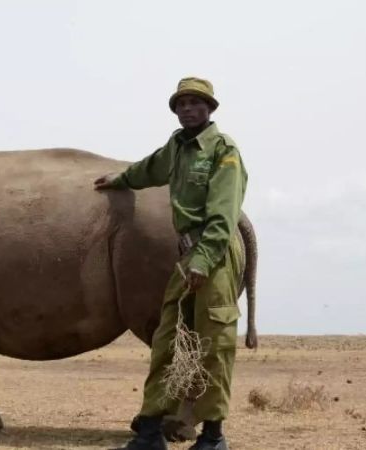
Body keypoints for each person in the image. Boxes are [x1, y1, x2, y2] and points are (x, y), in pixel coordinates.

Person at [94, 77, 247, 450]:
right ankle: (150, 430)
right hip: (186, 255)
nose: (187, 109)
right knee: (166, 340)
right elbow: (150, 169)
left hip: (213, 255)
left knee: (214, 343)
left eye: (195, 103)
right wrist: (121, 178)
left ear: (210, 108)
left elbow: (224, 214)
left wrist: (205, 259)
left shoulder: (223, 150)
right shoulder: (177, 147)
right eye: (181, 104)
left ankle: (213, 436)